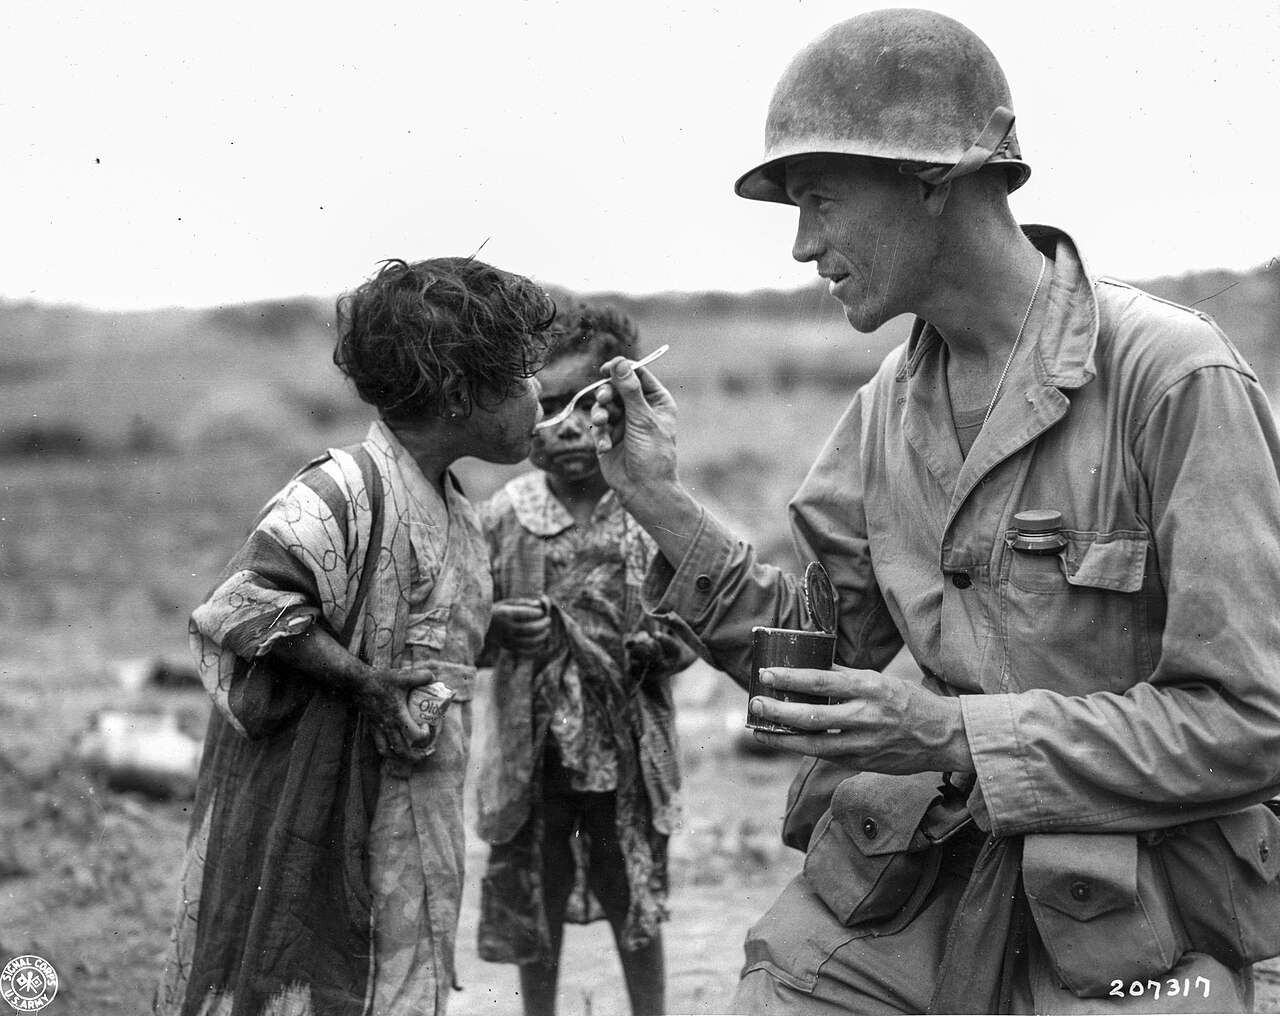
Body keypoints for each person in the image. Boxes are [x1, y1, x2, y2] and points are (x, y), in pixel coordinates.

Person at [589, 9, 1280, 1015]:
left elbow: (1249, 722)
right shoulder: (884, 410)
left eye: (820, 200)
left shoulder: (1171, 379)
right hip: (921, 890)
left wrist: (954, 732)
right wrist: (658, 502)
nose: (802, 244)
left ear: (933, 178)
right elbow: (822, 661)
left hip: (1140, 914)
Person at [155, 257, 554, 1016]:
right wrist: (365, 684)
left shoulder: (453, 508)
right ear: (459, 393)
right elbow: (242, 605)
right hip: (334, 804)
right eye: (521, 376)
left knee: (402, 966)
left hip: (415, 804)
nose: (540, 395)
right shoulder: (340, 491)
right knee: (315, 971)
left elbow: (412, 634)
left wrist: (487, 634)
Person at [472, 302, 697, 1016]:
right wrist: (497, 630)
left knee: (632, 893)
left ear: (619, 405)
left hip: (628, 755)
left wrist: (663, 647)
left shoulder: (654, 511)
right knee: (535, 902)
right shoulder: (504, 517)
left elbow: (694, 620)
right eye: (547, 406)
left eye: (584, 403)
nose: (565, 426)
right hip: (534, 759)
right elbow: (459, 630)